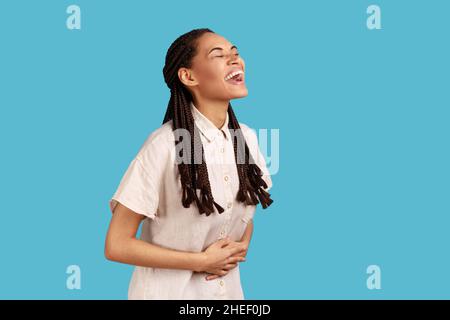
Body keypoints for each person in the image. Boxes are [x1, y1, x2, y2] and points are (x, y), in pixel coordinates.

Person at [104, 28, 273, 299]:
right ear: (188, 76)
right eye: (218, 55)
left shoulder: (248, 140)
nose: (234, 60)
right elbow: (117, 244)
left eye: (236, 53)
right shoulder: (163, 145)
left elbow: (243, 210)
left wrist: (239, 246)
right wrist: (201, 262)